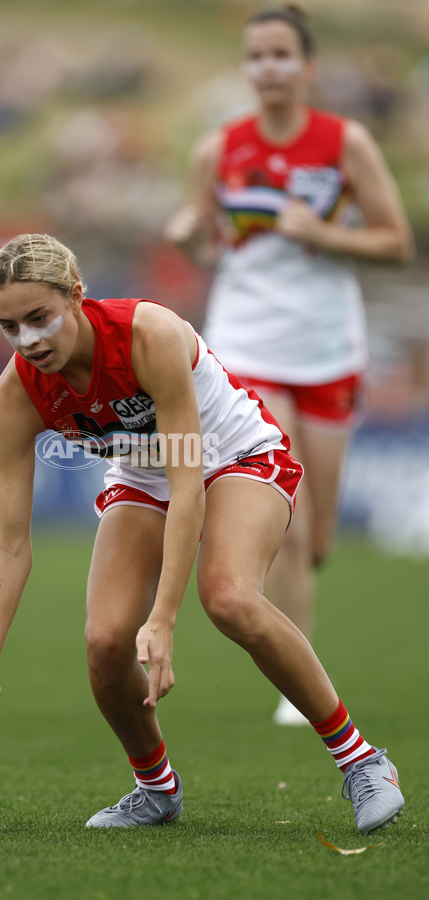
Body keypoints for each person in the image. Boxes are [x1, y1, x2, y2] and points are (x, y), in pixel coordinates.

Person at [0, 232, 404, 834]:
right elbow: (10, 540)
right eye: (10, 327)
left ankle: (363, 761)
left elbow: (188, 474)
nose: (29, 341)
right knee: (105, 643)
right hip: (144, 475)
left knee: (228, 597)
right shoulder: (16, 395)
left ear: (76, 296)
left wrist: (165, 616)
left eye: (39, 318)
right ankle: (156, 789)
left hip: (234, 455)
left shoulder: (149, 335)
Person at [164, 4, 414, 726]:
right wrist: (187, 238)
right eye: (256, 56)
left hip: (330, 349)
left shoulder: (346, 142)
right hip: (246, 346)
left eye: (281, 55)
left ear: (307, 67)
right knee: (292, 520)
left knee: (320, 536)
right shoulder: (218, 150)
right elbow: (210, 245)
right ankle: (296, 691)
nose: (267, 68)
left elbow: (396, 241)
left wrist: (328, 234)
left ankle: (297, 623)